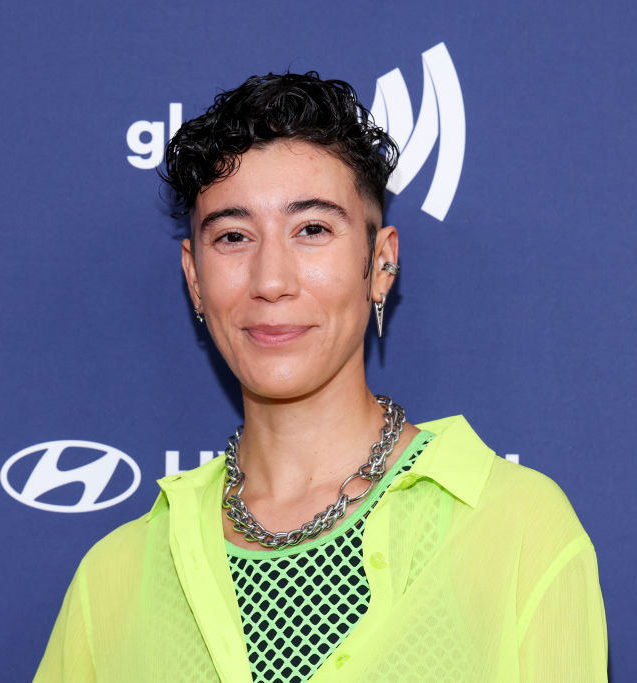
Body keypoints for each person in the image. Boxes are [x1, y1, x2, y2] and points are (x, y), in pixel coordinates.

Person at [34, 72, 607, 682]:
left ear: (380, 263)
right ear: (194, 277)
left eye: (312, 229)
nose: (271, 280)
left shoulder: (517, 528)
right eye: (233, 236)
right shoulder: (113, 578)